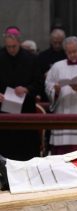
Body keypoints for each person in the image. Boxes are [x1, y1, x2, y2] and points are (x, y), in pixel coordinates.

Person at [0, 27, 42, 161]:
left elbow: (39, 83)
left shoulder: (31, 59)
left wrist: (27, 89)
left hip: (25, 109)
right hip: (3, 111)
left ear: (19, 43)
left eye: (14, 46)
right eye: (8, 47)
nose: (11, 49)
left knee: (26, 149)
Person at [37, 28, 67, 101]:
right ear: (51, 41)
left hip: (65, 92)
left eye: (60, 43)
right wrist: (44, 75)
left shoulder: (67, 55)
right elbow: (37, 76)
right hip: (47, 93)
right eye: (55, 42)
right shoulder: (42, 56)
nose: (57, 45)